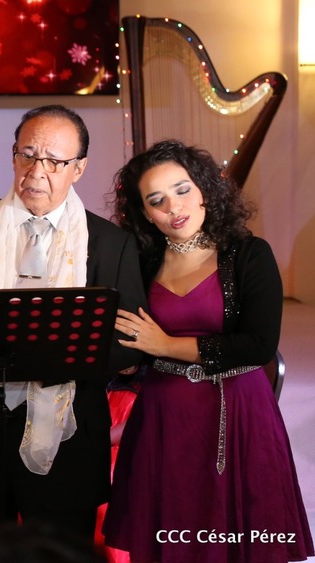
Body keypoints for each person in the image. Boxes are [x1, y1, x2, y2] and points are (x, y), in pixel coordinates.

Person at [0, 104, 148, 561]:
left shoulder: (111, 243)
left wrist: (52, 358)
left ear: (79, 168)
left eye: (54, 161)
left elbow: (127, 341)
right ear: (13, 156)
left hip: (67, 434)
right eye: (27, 155)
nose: (36, 171)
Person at [102, 139, 314, 562]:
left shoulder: (249, 254)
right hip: (163, 414)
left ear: (203, 189)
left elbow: (258, 346)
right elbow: (126, 338)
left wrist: (165, 345)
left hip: (238, 412)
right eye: (156, 200)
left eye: (182, 189)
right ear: (145, 213)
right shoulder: (141, 263)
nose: (173, 207)